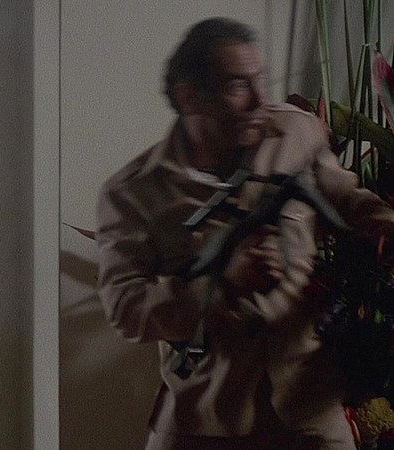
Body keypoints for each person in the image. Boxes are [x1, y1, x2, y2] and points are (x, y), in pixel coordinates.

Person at [95, 17, 394, 449]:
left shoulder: (294, 133)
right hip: (205, 420)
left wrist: (385, 228)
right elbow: (126, 308)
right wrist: (222, 283)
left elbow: (346, 197)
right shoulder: (132, 194)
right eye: (238, 86)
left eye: (260, 80)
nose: (260, 100)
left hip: (310, 409)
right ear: (189, 97)